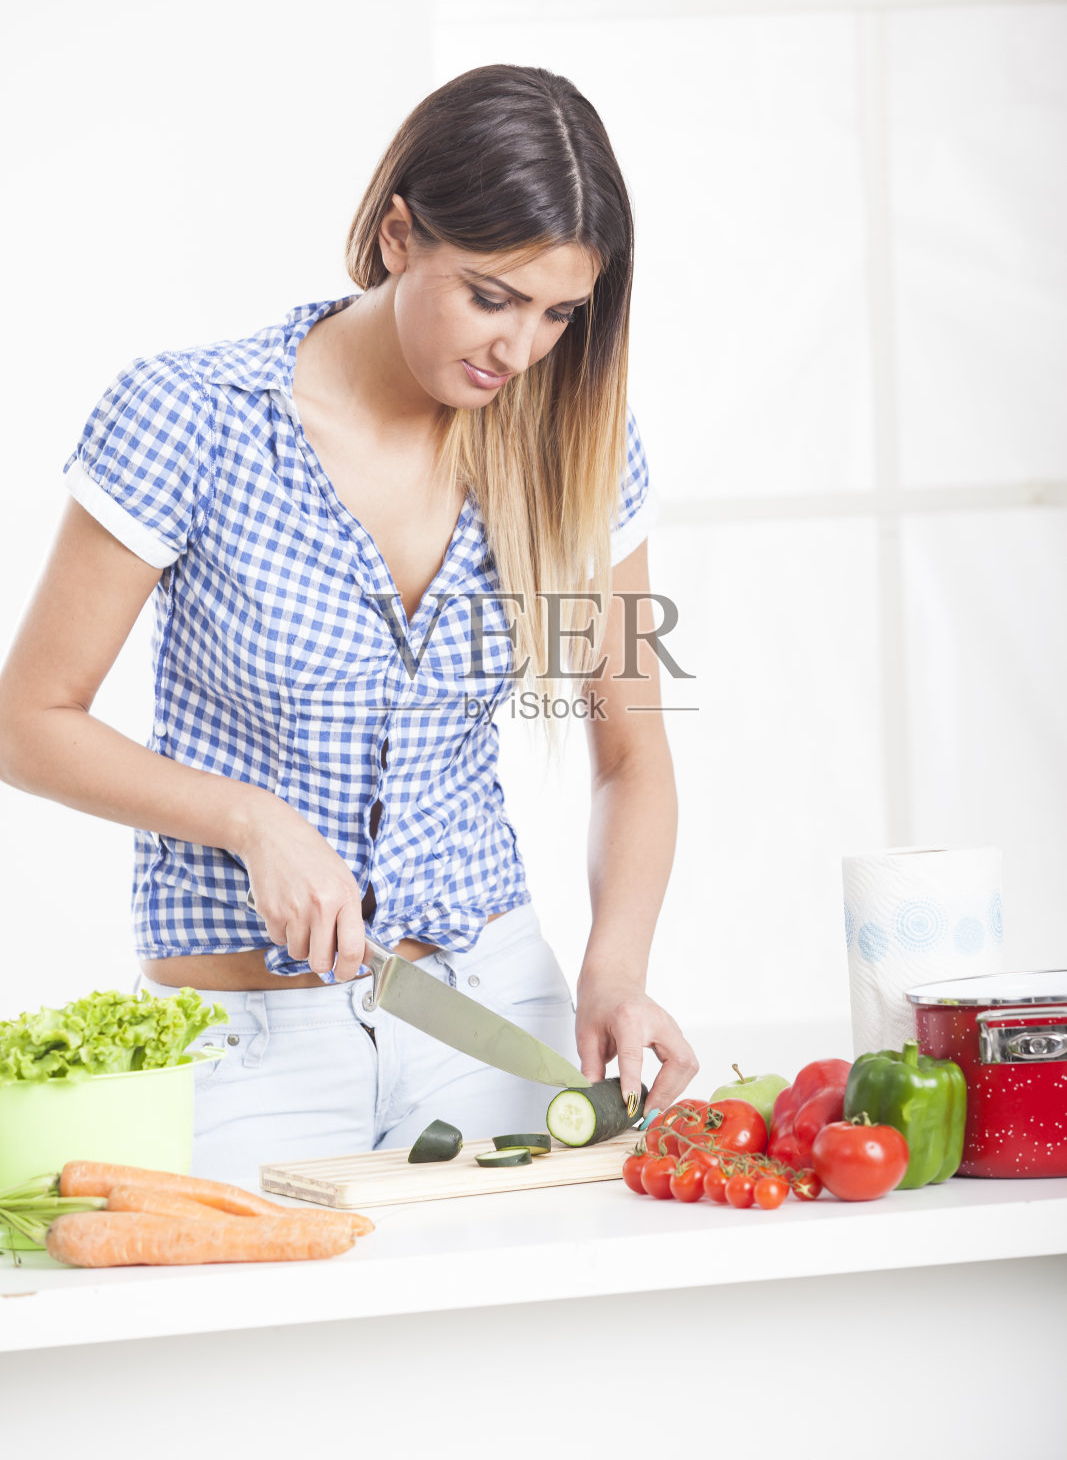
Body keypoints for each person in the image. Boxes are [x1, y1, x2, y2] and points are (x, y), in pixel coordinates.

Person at [0, 63, 697, 1185]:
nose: (518, 350)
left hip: (490, 1007)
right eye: (490, 296)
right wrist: (250, 821)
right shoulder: (193, 418)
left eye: (557, 313)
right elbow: (27, 721)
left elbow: (632, 755)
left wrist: (612, 972)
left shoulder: (577, 446)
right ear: (394, 235)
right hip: (250, 1041)